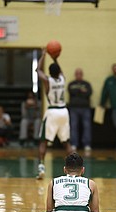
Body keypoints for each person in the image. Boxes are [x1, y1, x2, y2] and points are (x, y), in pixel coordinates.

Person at [36, 49, 72, 179]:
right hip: (64, 111)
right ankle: (74, 170)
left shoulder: (47, 80)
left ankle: (41, 168)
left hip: (52, 112)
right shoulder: (62, 79)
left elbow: (38, 71)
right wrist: (55, 58)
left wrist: (43, 56)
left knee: (44, 142)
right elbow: (60, 71)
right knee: (66, 143)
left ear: (50, 72)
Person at [68, 68, 92, 151]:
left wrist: (79, 92)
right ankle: (74, 143)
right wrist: (81, 91)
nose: (78, 75)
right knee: (73, 126)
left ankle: (87, 144)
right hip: (74, 108)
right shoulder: (71, 84)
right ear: (75, 75)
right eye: (77, 73)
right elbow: (72, 92)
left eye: (80, 73)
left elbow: (88, 93)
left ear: (82, 74)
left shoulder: (86, 84)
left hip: (85, 108)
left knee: (86, 126)